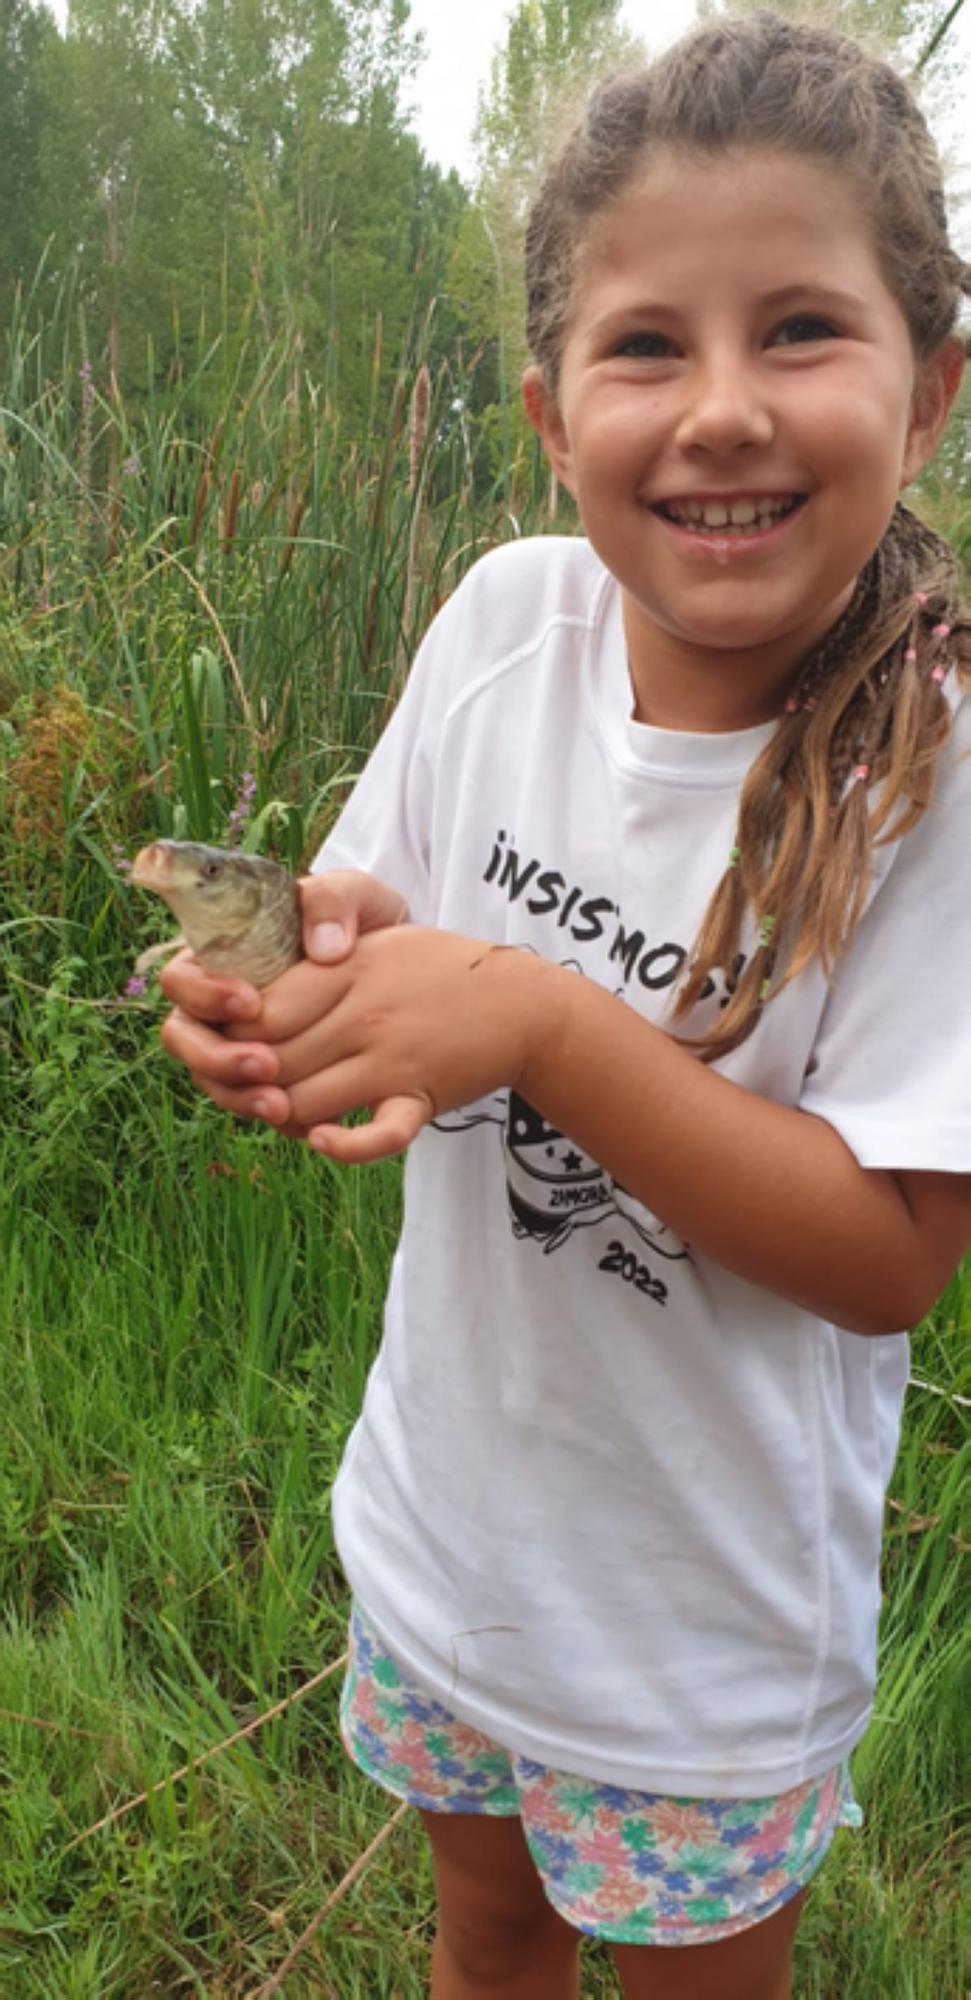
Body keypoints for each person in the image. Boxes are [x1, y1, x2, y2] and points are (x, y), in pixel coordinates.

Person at [160, 14, 971, 1997]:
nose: (718, 410)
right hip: (446, 1539)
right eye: (643, 346)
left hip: (693, 1640)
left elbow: (886, 1261)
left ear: (934, 387)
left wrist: (534, 1025)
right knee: (488, 1927)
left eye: (799, 329)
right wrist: (284, 997)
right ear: (545, 408)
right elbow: (382, 928)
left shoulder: (934, 769)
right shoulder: (502, 622)